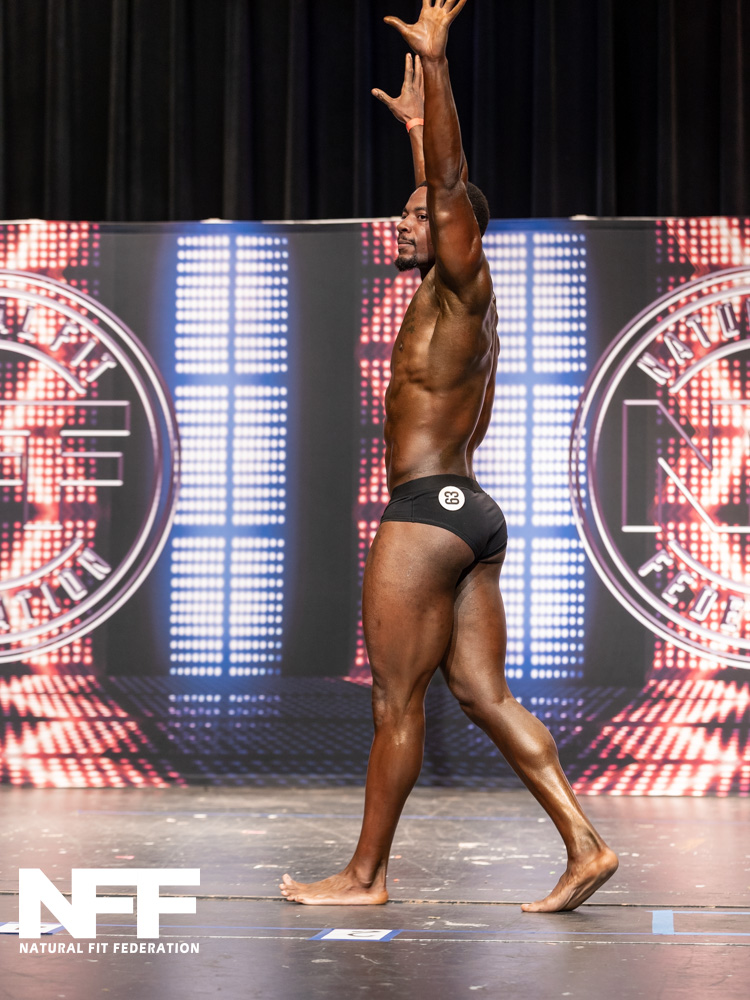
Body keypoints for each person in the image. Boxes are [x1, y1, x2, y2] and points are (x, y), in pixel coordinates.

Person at [280, 0, 617, 912]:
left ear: (456, 229)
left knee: (395, 703)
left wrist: (437, 65)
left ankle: (364, 877)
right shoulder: (448, 299)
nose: (401, 223)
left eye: (414, 215)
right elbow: (439, 184)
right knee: (482, 694)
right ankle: (586, 846)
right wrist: (418, 125)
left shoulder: (462, 284)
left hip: (428, 515)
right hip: (469, 515)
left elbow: (451, 181)